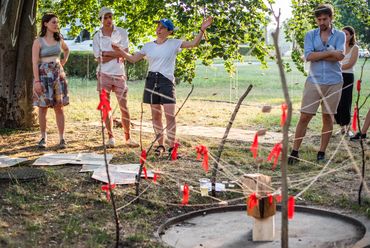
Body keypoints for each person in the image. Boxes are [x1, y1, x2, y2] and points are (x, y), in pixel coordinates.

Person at [112, 17, 212, 156]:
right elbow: (133, 59)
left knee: (170, 115)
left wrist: (202, 29)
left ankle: (172, 147)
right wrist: (120, 50)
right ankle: (160, 146)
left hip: (166, 81)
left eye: (162, 28)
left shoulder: (174, 43)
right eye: (158, 26)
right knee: (156, 115)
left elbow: (194, 43)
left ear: (169, 31)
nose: (158, 29)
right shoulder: (148, 46)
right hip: (151, 80)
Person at [288, 4, 345, 164]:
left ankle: (321, 152)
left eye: (324, 19)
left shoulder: (340, 35)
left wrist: (319, 54)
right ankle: (294, 152)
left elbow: (339, 57)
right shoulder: (310, 35)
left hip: (334, 81)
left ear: (331, 18)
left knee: (328, 117)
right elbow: (308, 56)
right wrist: (330, 53)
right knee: (305, 116)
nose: (322, 22)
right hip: (314, 80)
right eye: (319, 19)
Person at [93, 7, 139, 148]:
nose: (108, 20)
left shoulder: (121, 32)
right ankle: (111, 137)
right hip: (103, 75)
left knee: (123, 107)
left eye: (110, 17)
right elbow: (99, 59)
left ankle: (128, 137)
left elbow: (126, 53)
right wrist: (118, 52)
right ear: (100, 19)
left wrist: (107, 53)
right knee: (106, 107)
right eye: (105, 17)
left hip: (119, 75)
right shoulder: (97, 36)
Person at [32, 13, 70, 149]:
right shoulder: (38, 41)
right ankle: (43, 138)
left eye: (57, 22)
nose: (56, 25)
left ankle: (62, 139)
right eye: (53, 22)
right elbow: (34, 63)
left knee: (59, 108)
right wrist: (37, 81)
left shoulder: (59, 39)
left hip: (57, 76)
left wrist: (64, 60)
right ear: (46, 24)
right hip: (43, 77)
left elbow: (66, 49)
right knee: (42, 108)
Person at [334, 26, 359, 136]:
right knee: (337, 101)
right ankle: (342, 128)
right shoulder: (338, 46)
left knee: (346, 101)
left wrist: (336, 67)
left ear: (351, 36)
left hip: (348, 76)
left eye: (346, 34)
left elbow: (351, 64)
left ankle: (349, 129)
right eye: (342, 33)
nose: (344, 36)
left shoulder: (355, 48)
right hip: (336, 76)